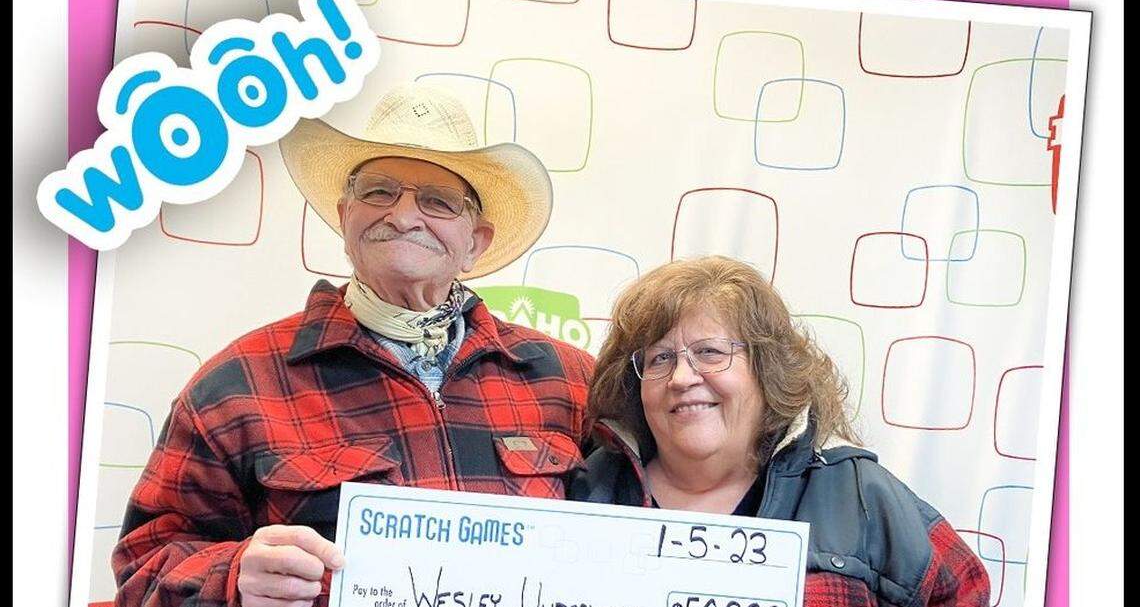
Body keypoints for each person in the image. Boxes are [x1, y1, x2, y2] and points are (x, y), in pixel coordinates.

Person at [112, 84, 594, 607]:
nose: (404, 215)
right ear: (345, 217)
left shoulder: (569, 379)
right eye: (379, 191)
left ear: (475, 242)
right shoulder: (237, 384)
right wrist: (233, 577)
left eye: (437, 201)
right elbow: (144, 567)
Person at [569, 256, 990, 607]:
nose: (681, 377)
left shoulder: (859, 495)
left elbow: (965, 590)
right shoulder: (586, 491)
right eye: (659, 359)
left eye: (709, 352)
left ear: (765, 370)